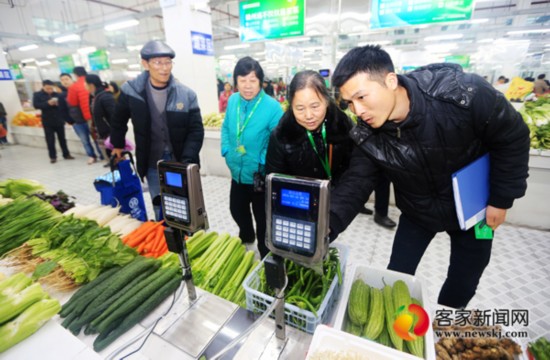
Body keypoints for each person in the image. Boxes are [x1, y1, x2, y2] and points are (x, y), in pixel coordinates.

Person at [329, 45, 530, 309]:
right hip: (417, 210)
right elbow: (356, 182)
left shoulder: (463, 94)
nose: (357, 110)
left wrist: (501, 199)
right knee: (396, 274)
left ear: (390, 81)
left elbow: (512, 136)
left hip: (474, 211)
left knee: (465, 279)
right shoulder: (367, 134)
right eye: (350, 103)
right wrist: (327, 226)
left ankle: (447, 322)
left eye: (362, 97)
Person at [110, 40, 204, 220]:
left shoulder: (186, 94)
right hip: (152, 161)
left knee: (185, 207)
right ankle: (165, 240)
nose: (164, 68)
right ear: (145, 64)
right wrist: (118, 145)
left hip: (180, 160)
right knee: (160, 205)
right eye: (158, 62)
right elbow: (118, 120)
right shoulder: (131, 91)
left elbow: (196, 130)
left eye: (168, 62)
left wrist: (187, 159)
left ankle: (188, 240)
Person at [221, 56, 283, 258]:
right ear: (236, 81)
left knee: (263, 219)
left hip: (259, 176)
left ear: (261, 82)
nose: (247, 86)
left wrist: (261, 162)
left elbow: (278, 143)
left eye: (253, 80)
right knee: (236, 209)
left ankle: (266, 254)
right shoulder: (232, 101)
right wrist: (227, 151)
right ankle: (247, 239)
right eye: (242, 80)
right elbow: (225, 128)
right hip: (237, 172)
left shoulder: (272, 107)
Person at [266, 70, 354, 185]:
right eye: (300, 108)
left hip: (338, 198)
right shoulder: (281, 135)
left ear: (326, 101)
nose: (308, 116)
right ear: (291, 106)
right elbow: (276, 181)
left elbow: (354, 171)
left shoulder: (343, 127)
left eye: (315, 106)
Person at [59, 73, 103, 164]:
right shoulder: (62, 95)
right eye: (62, 80)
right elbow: (62, 110)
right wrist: (71, 121)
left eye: (66, 79)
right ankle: (91, 156)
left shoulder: (82, 87)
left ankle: (102, 155)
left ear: (72, 79)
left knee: (96, 138)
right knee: (85, 140)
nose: (65, 81)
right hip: (77, 121)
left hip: (89, 118)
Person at [32, 80, 75, 163]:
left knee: (62, 139)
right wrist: (47, 103)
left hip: (59, 119)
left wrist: (58, 104)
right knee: (50, 140)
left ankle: (66, 154)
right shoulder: (37, 95)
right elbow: (36, 105)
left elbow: (64, 104)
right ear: (43, 87)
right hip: (47, 121)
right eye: (48, 88)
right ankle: (53, 157)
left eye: (51, 88)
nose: (50, 90)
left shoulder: (57, 94)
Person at [86, 74, 116, 163]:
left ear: (91, 85)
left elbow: (115, 117)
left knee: (118, 160)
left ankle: (123, 175)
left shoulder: (105, 96)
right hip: (104, 135)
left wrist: (116, 137)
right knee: (111, 159)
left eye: (85, 83)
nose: (84, 86)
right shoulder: (95, 96)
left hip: (111, 135)